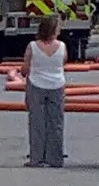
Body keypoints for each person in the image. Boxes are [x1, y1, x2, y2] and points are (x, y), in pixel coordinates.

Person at [20, 16, 66, 168]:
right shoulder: (62, 46)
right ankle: (55, 158)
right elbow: (63, 62)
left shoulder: (32, 46)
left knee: (37, 122)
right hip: (57, 85)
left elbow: (25, 69)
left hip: (36, 84)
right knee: (56, 122)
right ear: (54, 30)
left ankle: (36, 158)